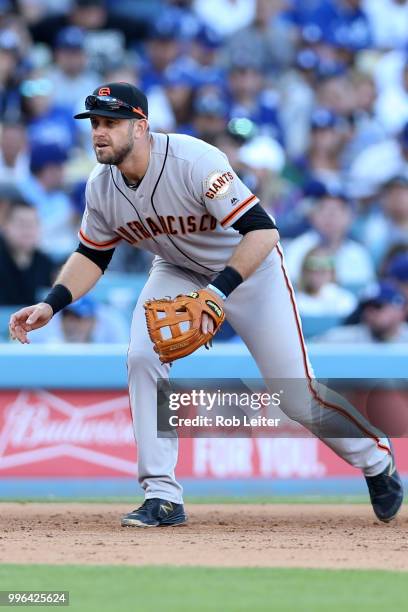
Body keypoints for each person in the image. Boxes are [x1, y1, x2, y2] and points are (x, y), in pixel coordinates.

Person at [9, 82, 403, 527]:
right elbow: (93, 254)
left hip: (248, 269)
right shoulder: (101, 187)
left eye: (111, 124)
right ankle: (162, 494)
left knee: (297, 395)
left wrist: (218, 291)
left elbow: (262, 231)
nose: (99, 132)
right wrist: (52, 304)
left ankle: (374, 459)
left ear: (140, 127)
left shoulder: (194, 161)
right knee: (141, 356)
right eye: (95, 123)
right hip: (177, 268)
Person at [0, 200, 55, 305]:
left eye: (33, 224)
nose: (27, 230)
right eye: (21, 224)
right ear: (5, 225)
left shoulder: (46, 264)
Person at [319, 280, 408, 343]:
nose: (369, 312)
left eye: (377, 306)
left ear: (399, 310)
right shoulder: (342, 340)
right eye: (365, 307)